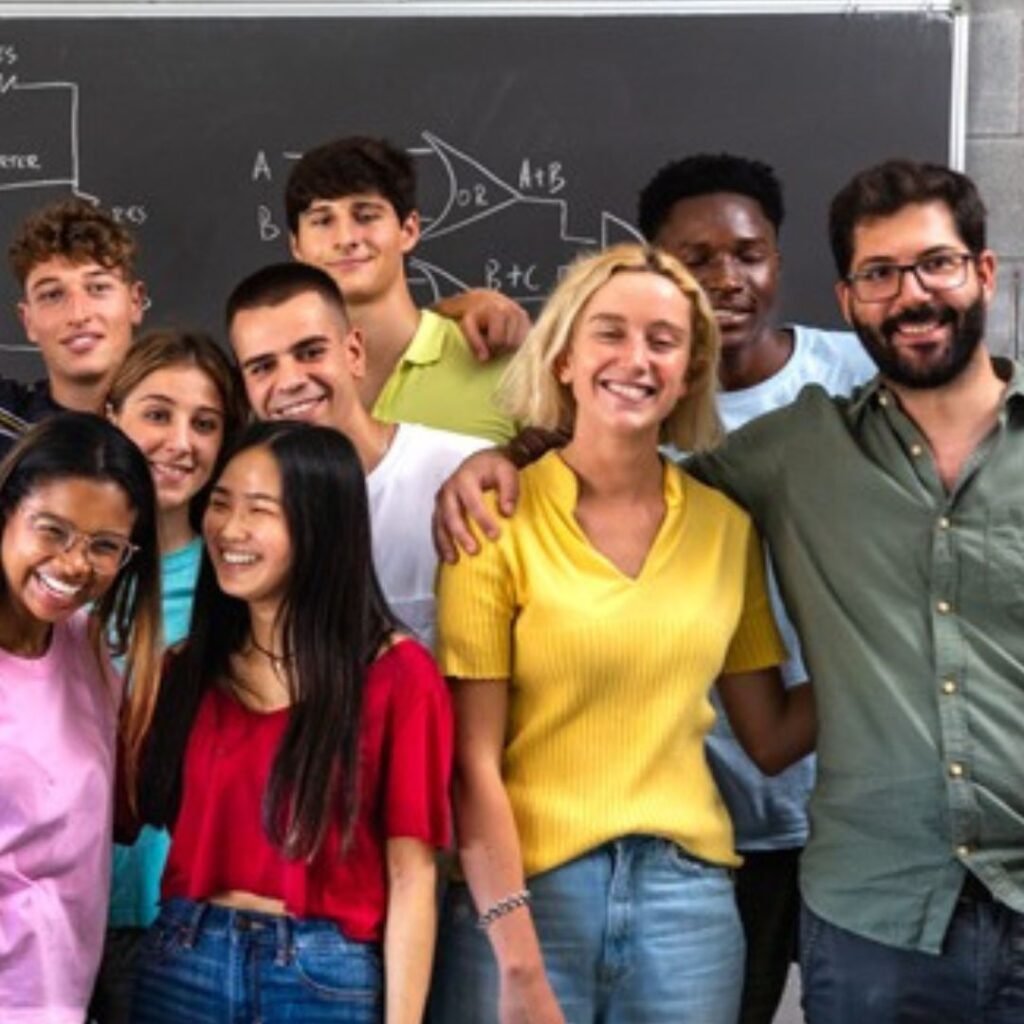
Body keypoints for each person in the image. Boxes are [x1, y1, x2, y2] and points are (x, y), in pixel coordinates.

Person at [432, 161, 1024, 1024]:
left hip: (709, 894)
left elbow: (771, 731)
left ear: (984, 272)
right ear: (849, 295)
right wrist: (499, 455)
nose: (911, 294)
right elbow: (613, 460)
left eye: (936, 264)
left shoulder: (724, 508)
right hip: (853, 905)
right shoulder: (782, 456)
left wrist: (894, 652)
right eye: (880, 274)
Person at [428, 243, 814, 1024]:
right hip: (527, 894)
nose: (635, 360)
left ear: (689, 373)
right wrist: (518, 962)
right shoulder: (494, 519)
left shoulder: (726, 528)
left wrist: (890, 645)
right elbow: (472, 763)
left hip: (687, 906)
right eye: (610, 333)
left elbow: (770, 737)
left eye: (662, 341)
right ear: (564, 358)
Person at [638, 152, 876, 1023]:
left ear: (778, 257)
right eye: (696, 258)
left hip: (856, 807)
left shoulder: (856, 376)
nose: (726, 279)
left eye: (748, 253)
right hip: (706, 811)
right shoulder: (631, 400)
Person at [125, 420, 453, 1023]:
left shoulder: (399, 675)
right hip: (182, 959)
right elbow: (124, 813)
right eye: (220, 503)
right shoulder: (185, 668)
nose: (230, 529)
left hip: (322, 975)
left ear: (320, 525)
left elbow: (412, 878)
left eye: (259, 509)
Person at [86, 328, 248, 1024]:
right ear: (111, 415)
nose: (181, 442)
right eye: (157, 414)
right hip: (47, 910)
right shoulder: (60, 564)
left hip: (180, 921)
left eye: (205, 424)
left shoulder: (237, 577)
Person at [226, 262, 487, 647]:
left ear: (354, 353)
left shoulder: (463, 473)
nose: (290, 381)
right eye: (262, 367)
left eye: (310, 352)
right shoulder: (235, 515)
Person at [0, 413, 162, 1022]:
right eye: (53, 530)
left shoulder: (87, 648)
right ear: (7, 514)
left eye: (104, 545)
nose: (74, 564)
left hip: (64, 998)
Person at [285, 135, 519, 443]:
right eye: (322, 221)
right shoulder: (277, 382)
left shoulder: (501, 363)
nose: (345, 238)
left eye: (366, 216)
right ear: (296, 246)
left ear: (408, 230)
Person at [1, 198, 145, 454]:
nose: (78, 315)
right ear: (28, 320)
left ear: (135, 302)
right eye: (52, 295)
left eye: (98, 288)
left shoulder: (178, 430)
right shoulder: (6, 421)